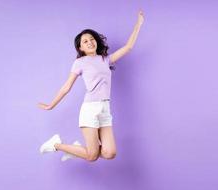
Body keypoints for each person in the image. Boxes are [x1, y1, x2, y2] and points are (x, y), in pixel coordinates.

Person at [38, 11, 144, 162]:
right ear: (80, 48)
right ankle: (56, 144)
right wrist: (51, 105)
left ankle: (76, 150)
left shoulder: (105, 60)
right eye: (85, 41)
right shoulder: (80, 63)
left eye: (91, 39)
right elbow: (66, 87)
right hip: (90, 109)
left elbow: (128, 47)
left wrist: (138, 24)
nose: (90, 42)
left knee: (110, 153)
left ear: (96, 42)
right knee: (92, 156)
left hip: (105, 109)